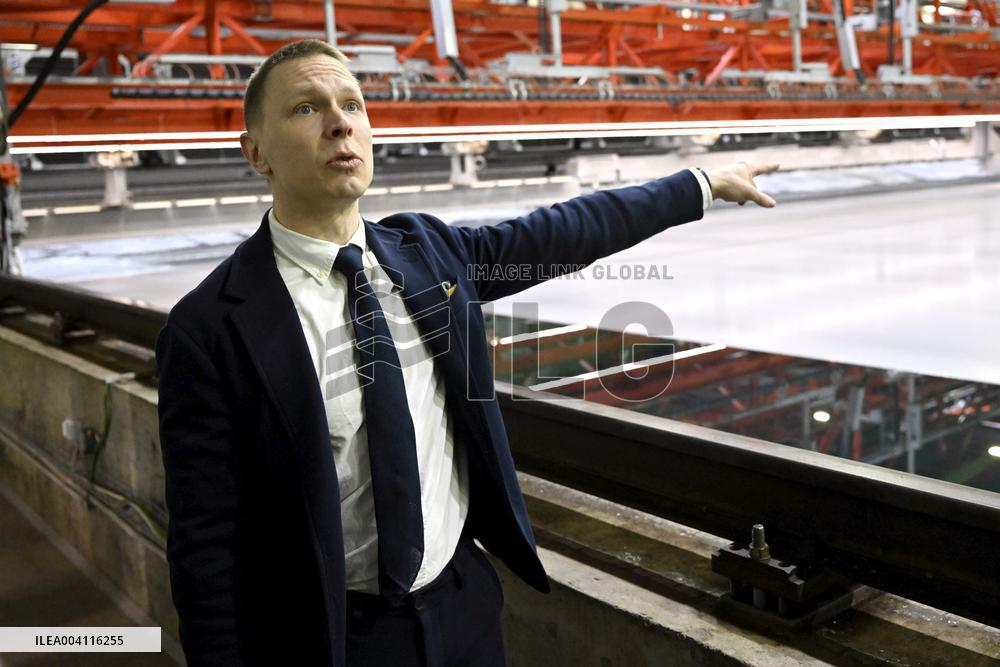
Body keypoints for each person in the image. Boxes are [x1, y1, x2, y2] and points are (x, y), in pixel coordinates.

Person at [155, 39, 779, 667]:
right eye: (306, 109)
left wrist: (699, 186)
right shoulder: (209, 330)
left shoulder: (426, 254)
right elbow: (208, 548)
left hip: (463, 608)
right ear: (255, 152)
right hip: (332, 637)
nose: (342, 122)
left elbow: (562, 232)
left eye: (353, 104)